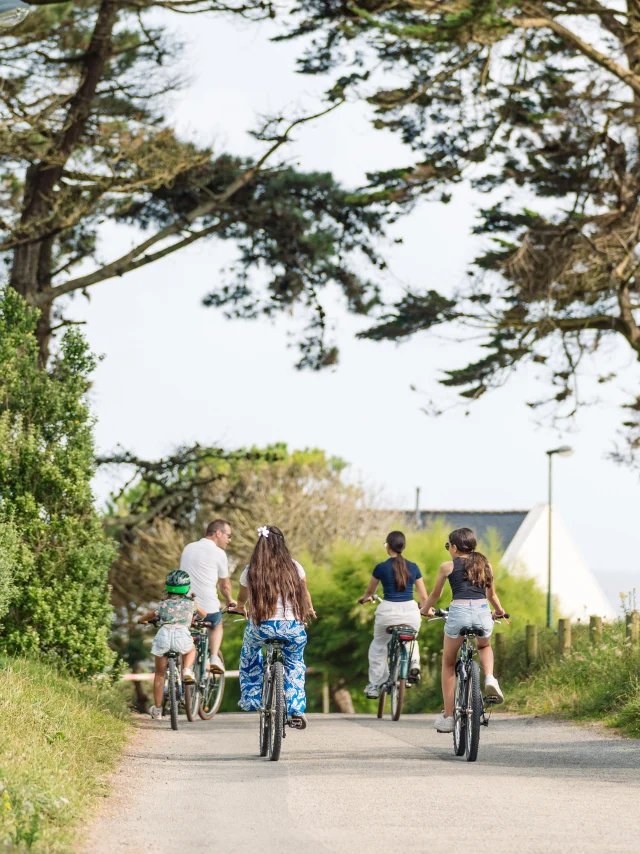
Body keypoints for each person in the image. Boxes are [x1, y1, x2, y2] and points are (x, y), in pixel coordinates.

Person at [420, 526, 507, 733]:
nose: (448, 549)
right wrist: (500, 612)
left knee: (449, 662)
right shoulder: (486, 565)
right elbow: (491, 596)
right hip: (482, 612)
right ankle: (489, 677)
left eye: (448, 546)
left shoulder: (447, 567)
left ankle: (449, 717)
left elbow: (435, 595)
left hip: (457, 612)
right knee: (484, 646)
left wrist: (425, 610)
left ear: (455, 547)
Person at [230, 525, 315, 727]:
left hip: (262, 627)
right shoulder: (295, 567)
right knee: (294, 663)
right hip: (292, 627)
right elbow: (305, 594)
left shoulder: (251, 570)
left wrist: (240, 607)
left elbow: (242, 598)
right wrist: (310, 609)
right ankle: (295, 708)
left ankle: (252, 698)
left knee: (249, 654)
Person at [358, 530, 429, 699]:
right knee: (412, 639)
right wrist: (426, 609)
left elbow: (370, 592)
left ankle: (375, 685)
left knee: (378, 646)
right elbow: (424, 596)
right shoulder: (414, 567)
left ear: (387, 546)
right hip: (411, 613)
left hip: (387, 612)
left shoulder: (381, 567)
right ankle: (414, 663)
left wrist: (364, 599)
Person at [138, 569, 207, 720]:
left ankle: (157, 710)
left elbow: (149, 615)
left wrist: (141, 620)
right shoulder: (190, 604)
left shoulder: (162, 604)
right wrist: (194, 610)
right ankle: (187, 670)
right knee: (191, 650)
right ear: (187, 588)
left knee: (160, 674)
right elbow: (204, 614)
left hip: (163, 635)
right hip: (182, 634)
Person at [179, 519, 236, 674]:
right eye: (228, 536)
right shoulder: (219, 553)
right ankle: (213, 656)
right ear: (218, 533)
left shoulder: (188, 548)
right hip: (209, 610)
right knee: (217, 623)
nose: (229, 540)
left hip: (185, 608)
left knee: (186, 632)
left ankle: (183, 668)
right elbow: (224, 585)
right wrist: (230, 600)